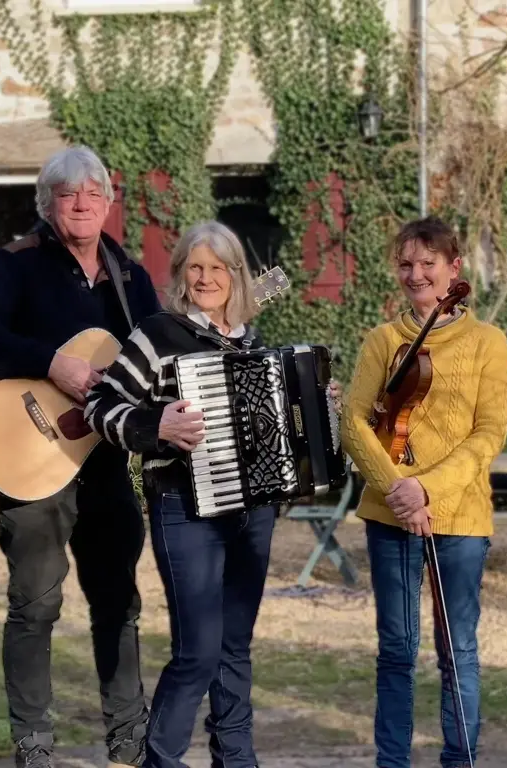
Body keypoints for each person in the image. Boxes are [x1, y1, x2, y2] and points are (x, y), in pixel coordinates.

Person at [85, 220, 337, 768]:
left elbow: (281, 428)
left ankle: (237, 759)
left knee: (234, 650)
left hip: (253, 513)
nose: (205, 278)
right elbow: (98, 407)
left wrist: (317, 403)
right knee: (197, 651)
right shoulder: (157, 334)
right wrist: (157, 427)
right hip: (184, 509)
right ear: (180, 275)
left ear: (236, 275)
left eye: (217, 268)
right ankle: (162, 760)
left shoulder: (250, 342)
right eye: (195, 267)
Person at [0, 146, 160, 768]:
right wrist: (49, 364)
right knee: (35, 606)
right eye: (69, 194)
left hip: (104, 466)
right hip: (31, 462)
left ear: (108, 203)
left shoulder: (131, 279)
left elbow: (162, 360)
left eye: (94, 192)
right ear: (49, 204)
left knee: (118, 603)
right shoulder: (19, 265)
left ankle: (128, 737)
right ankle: (33, 745)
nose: (83, 202)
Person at [340, 216, 507, 768]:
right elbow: (353, 422)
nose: (415, 274)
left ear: (454, 268)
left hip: (459, 516)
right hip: (391, 513)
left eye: (428, 263)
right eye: (406, 264)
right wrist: (399, 491)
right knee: (395, 651)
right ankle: (392, 763)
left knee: (457, 650)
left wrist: (426, 490)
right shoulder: (383, 340)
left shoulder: (488, 342)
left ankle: (459, 759)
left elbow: (490, 433)